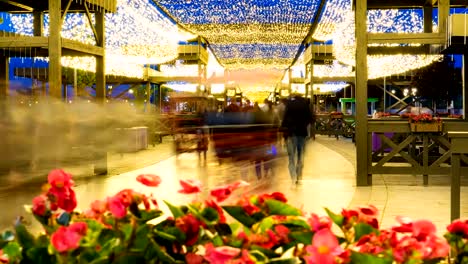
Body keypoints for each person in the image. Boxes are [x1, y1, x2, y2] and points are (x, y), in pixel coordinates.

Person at [281, 94, 313, 185]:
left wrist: (283, 128)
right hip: (302, 133)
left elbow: (285, 118)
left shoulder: (290, 104)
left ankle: (293, 176)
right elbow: (310, 118)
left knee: (291, 156)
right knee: (300, 155)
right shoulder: (305, 105)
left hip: (291, 133)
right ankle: (299, 175)